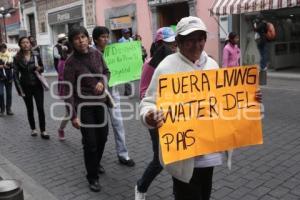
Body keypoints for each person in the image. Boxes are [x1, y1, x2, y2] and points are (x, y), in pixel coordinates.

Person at [139, 16, 262, 200]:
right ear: (178, 42)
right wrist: (149, 115)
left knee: (205, 194)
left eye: (201, 39)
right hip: (183, 157)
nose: (196, 45)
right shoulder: (166, 67)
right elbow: (148, 102)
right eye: (190, 40)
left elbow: (223, 100)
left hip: (209, 154)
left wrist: (248, 98)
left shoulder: (212, 64)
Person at [64, 26, 110, 192]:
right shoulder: (70, 62)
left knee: (103, 137)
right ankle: (92, 177)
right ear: (72, 42)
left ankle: (95, 163)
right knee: (90, 143)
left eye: (83, 37)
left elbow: (106, 71)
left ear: (88, 38)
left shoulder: (96, 54)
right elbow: (67, 90)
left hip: (100, 103)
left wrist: (102, 82)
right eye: (77, 38)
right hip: (84, 107)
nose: (81, 40)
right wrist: (73, 115)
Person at [135, 27, 177, 200]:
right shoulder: (150, 65)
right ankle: (141, 186)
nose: (173, 47)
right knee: (160, 160)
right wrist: (154, 110)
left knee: (179, 156)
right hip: (156, 118)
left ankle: (179, 192)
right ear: (159, 44)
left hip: (176, 116)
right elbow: (144, 93)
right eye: (169, 44)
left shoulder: (178, 62)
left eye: (175, 44)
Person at [92, 26, 135, 170]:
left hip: (113, 92)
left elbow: (123, 65)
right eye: (103, 37)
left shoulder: (113, 51)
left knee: (118, 123)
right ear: (96, 39)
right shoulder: (91, 53)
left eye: (107, 36)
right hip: (96, 95)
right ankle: (95, 158)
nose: (106, 39)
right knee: (99, 128)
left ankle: (123, 154)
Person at [13, 37, 49, 139]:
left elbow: (42, 68)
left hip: (37, 85)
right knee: (30, 109)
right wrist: (19, 90)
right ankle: (33, 129)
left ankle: (43, 130)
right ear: (20, 45)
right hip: (25, 86)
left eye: (27, 42)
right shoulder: (17, 58)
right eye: (23, 43)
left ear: (30, 44)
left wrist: (40, 68)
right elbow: (15, 75)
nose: (25, 44)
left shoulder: (36, 55)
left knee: (40, 108)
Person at [57, 41, 73, 140]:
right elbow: (62, 78)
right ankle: (61, 129)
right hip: (68, 90)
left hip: (79, 89)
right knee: (69, 113)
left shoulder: (77, 58)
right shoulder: (62, 62)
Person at [118, 28, 134, 96]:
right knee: (127, 77)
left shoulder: (131, 39)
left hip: (131, 60)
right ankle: (128, 91)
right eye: (126, 33)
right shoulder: (120, 41)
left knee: (130, 77)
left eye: (128, 33)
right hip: (124, 61)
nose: (128, 34)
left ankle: (126, 91)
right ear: (123, 34)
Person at [0, 43, 14, 116]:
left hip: (9, 77)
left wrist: (8, 65)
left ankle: (8, 109)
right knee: (1, 93)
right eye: (1, 49)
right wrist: (1, 66)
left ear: (6, 48)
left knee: (9, 94)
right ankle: (2, 109)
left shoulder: (9, 55)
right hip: (1, 77)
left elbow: (13, 66)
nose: (2, 50)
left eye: (4, 48)